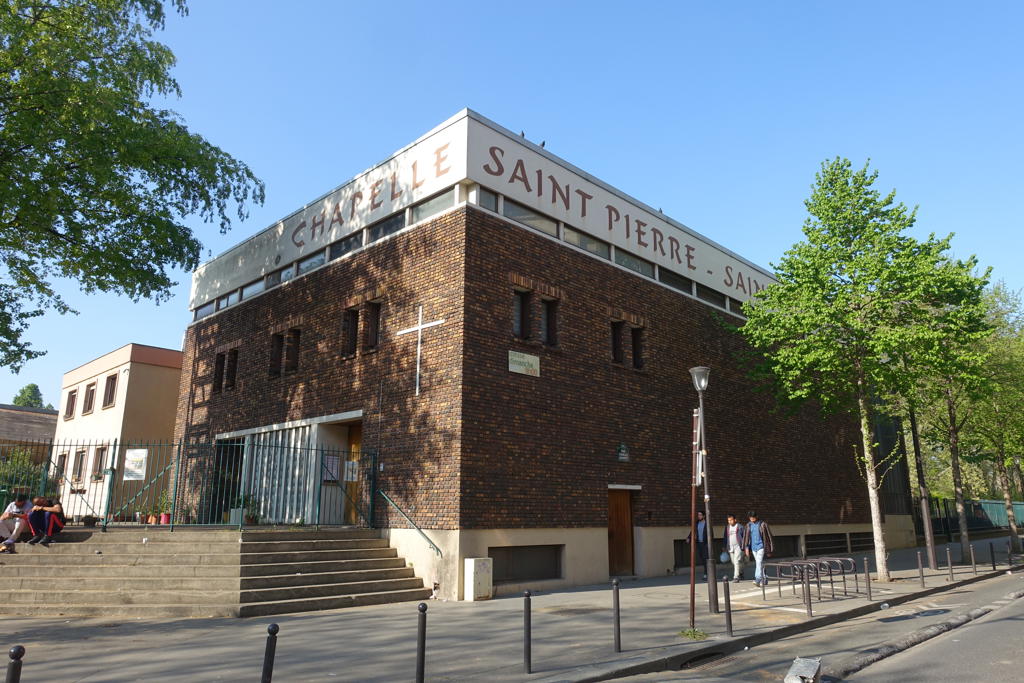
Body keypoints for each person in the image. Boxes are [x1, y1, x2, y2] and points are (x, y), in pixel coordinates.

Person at [743, 510, 774, 587]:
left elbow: (768, 536)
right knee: (760, 563)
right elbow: (746, 537)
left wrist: (769, 548)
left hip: (761, 546)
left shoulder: (763, 524)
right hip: (753, 547)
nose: (752, 519)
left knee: (758, 562)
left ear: (756, 517)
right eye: (750, 518)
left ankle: (757, 579)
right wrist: (746, 547)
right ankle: (764, 578)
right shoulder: (748, 525)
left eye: (753, 517)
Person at [686, 510, 713, 579]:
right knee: (702, 558)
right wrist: (689, 537)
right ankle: (708, 572)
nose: (699, 516)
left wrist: (709, 543)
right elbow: (693, 531)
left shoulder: (707, 523)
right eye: (698, 515)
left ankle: (706, 574)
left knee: (705, 558)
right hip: (699, 543)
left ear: (704, 516)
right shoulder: (697, 523)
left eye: (700, 515)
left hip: (705, 544)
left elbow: (711, 534)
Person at [722, 514, 747, 583]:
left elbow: (745, 537)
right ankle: (741, 572)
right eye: (728, 520)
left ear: (735, 520)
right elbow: (725, 537)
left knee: (736, 561)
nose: (730, 522)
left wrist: (745, 547)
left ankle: (736, 577)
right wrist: (724, 546)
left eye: (731, 520)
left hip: (738, 546)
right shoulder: (727, 527)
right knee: (734, 562)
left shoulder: (740, 527)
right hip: (730, 546)